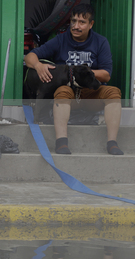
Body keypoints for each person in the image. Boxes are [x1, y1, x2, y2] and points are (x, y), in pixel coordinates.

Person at [24, 4, 123, 155]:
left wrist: (82, 73)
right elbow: (30, 56)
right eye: (73, 21)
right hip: (69, 93)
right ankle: (62, 143)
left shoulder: (100, 42)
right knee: (62, 91)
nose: (76, 26)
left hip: (91, 94)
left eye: (82, 22)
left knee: (114, 92)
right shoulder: (60, 40)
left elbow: (106, 74)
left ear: (91, 24)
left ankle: (112, 143)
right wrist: (38, 66)